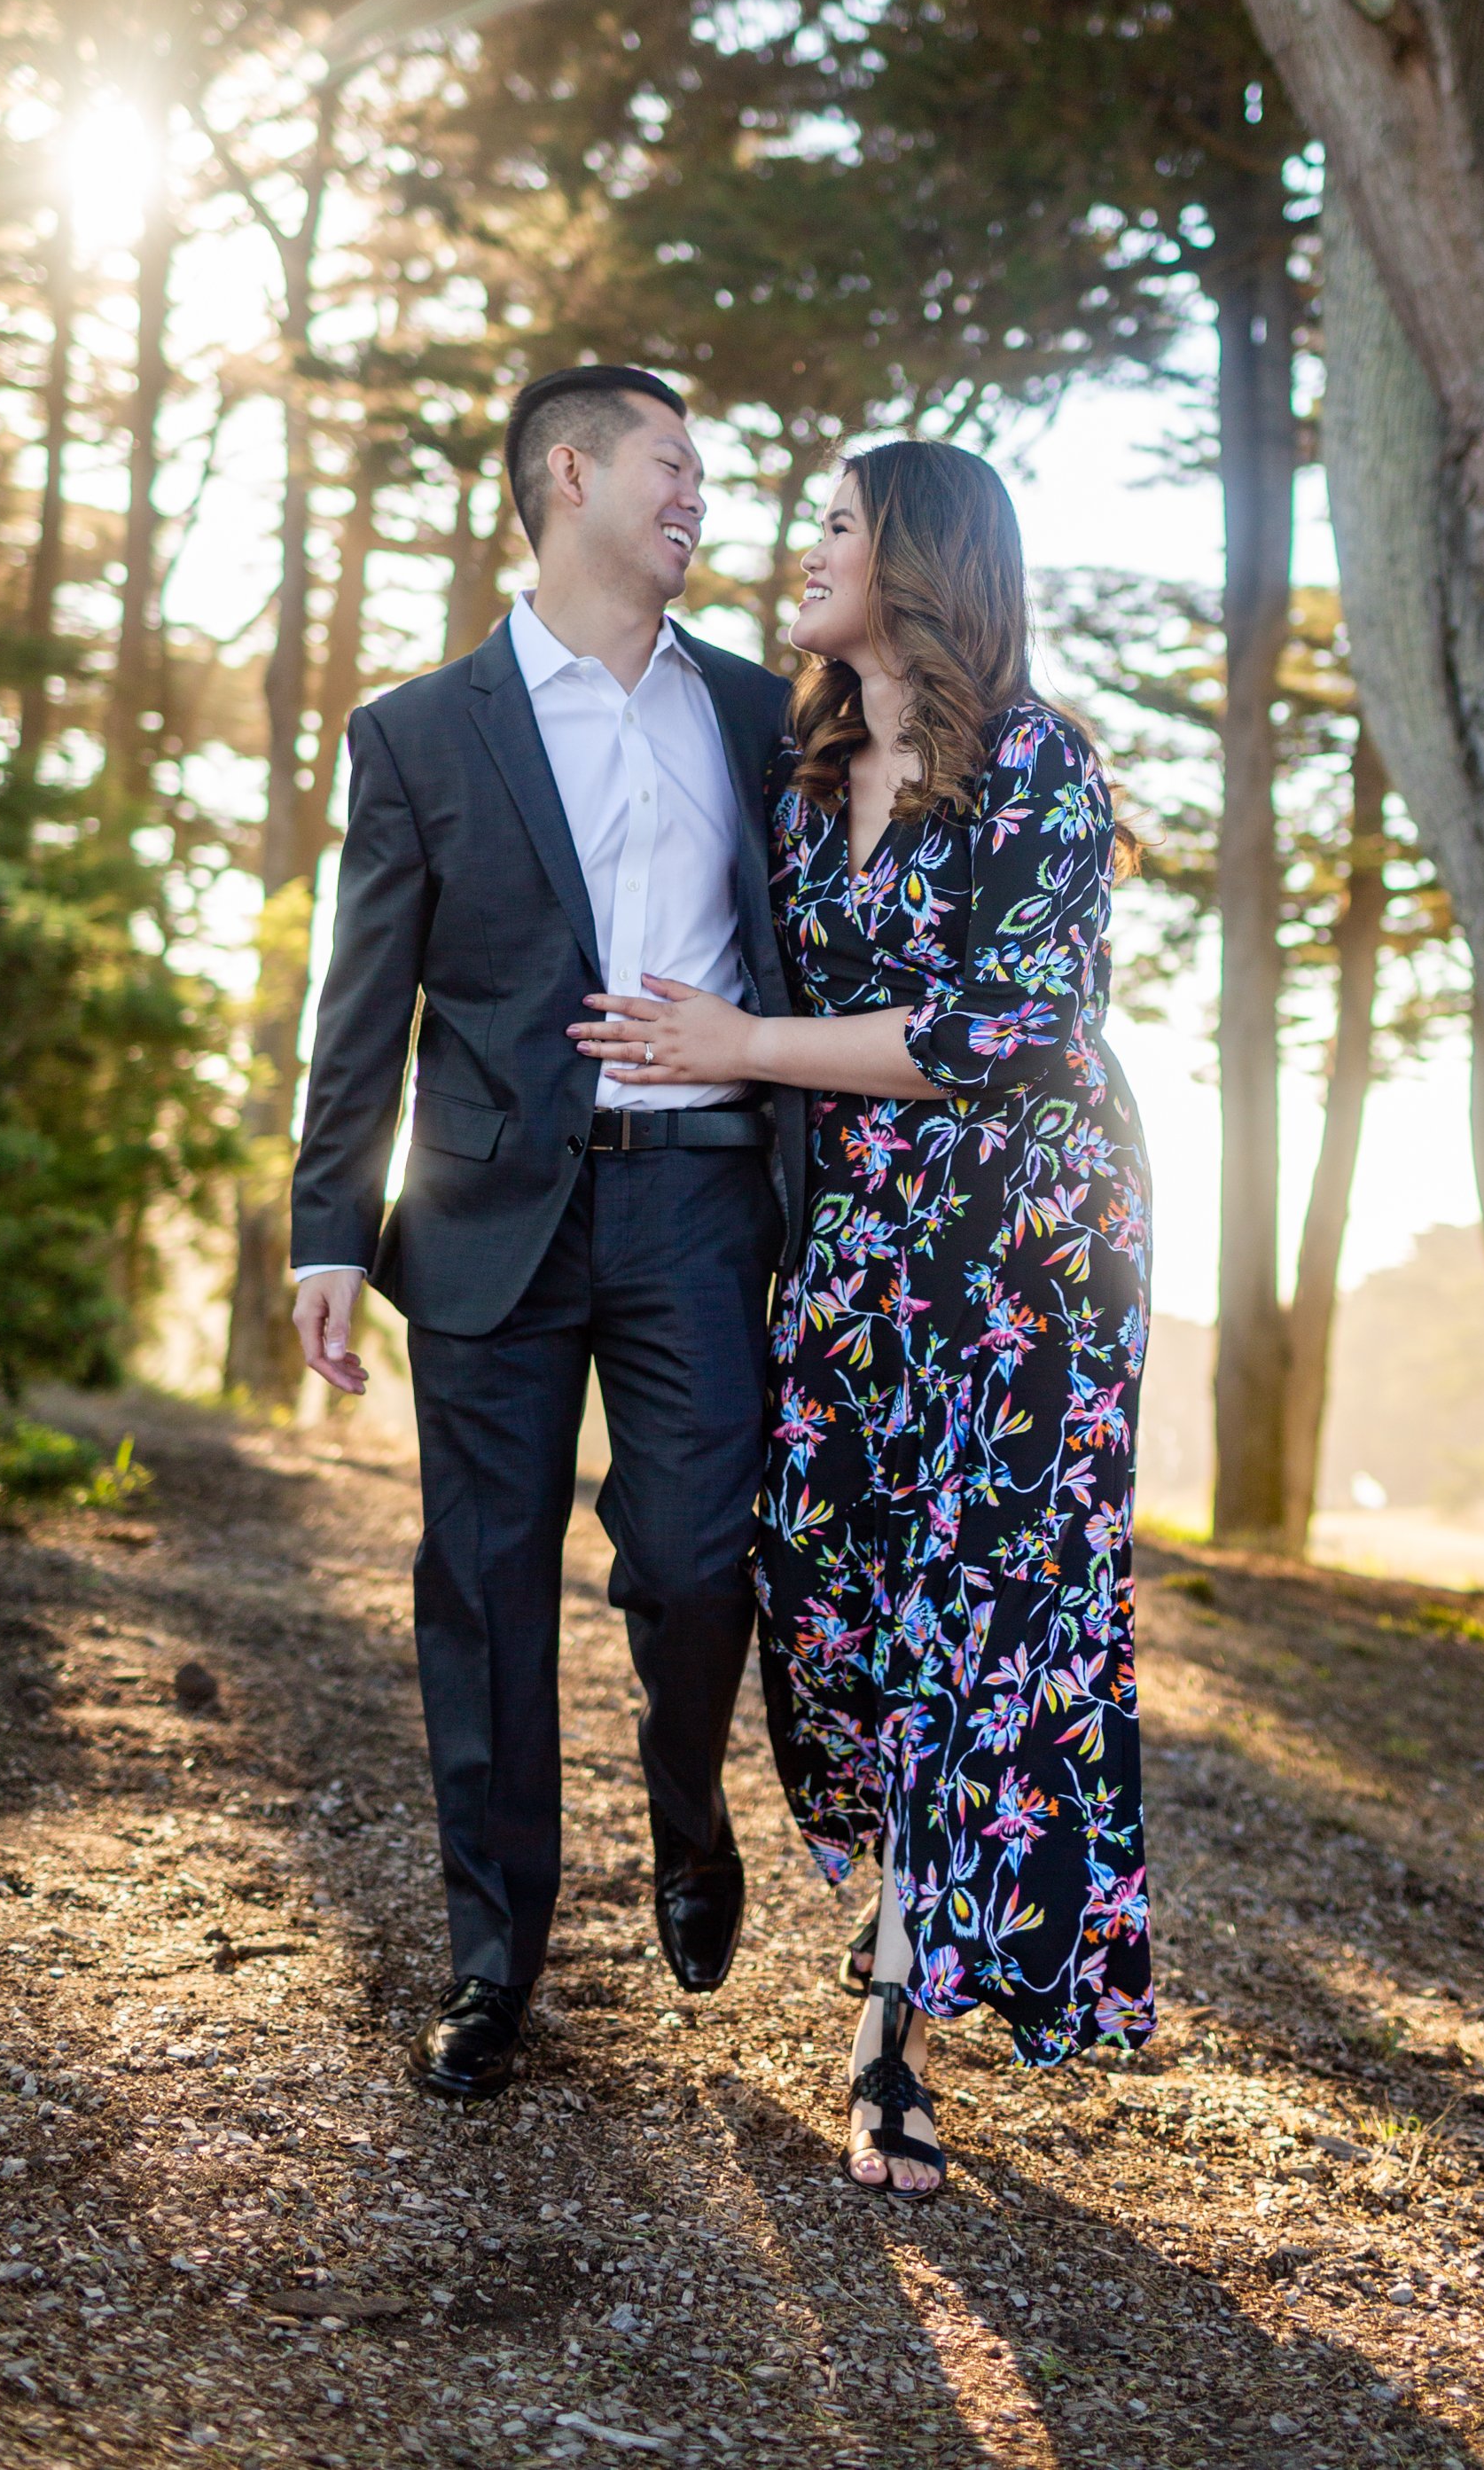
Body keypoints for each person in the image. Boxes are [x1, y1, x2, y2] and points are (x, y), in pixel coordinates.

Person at [570, 438, 1154, 2194]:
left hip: (1024, 1258)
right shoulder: (802, 770)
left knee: (972, 1622)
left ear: (916, 557)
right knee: (829, 1593)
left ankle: (894, 2027)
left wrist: (741, 1045)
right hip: (851, 1246)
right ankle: (888, 1902)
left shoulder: (1041, 766)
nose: (804, 547)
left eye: (836, 522)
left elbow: (1011, 1030)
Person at [288, 363, 803, 2104]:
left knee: (700, 1559)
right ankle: (492, 1962)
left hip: (702, 1202)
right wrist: (329, 1230)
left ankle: (687, 1808)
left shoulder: (763, 716)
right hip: (488, 1215)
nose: (699, 493)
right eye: (674, 461)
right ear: (569, 475)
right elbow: (362, 1003)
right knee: (486, 1591)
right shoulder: (418, 734)